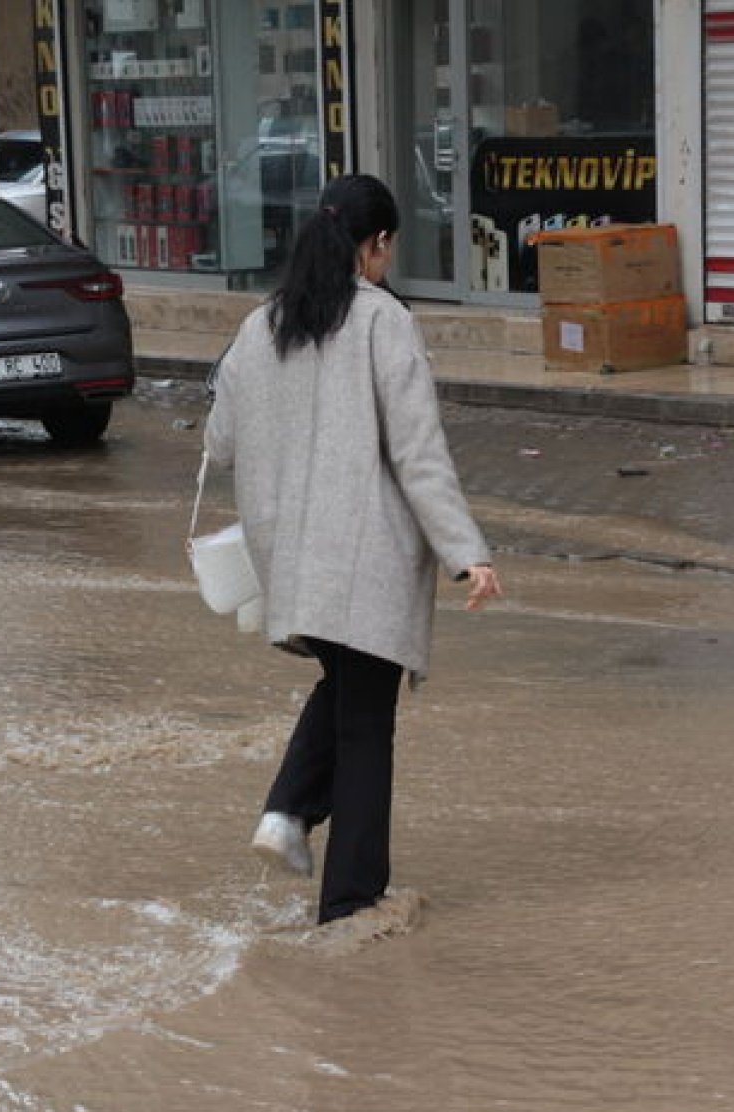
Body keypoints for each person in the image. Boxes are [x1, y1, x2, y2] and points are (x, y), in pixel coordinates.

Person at [205, 173, 501, 925]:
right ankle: (350, 906)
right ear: (375, 244)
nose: (387, 264)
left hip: (292, 557)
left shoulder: (259, 326)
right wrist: (467, 551)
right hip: (366, 558)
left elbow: (222, 444)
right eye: (388, 250)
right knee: (367, 727)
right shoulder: (382, 321)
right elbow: (418, 452)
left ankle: (289, 815)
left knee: (346, 694)